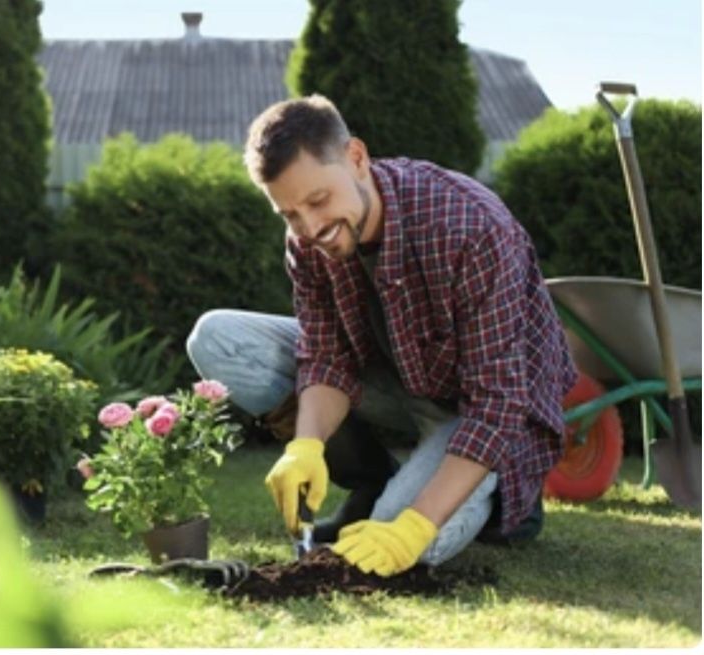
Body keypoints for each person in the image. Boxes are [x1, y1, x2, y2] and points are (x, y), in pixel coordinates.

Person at [186, 95, 578, 576]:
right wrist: (306, 445)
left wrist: (414, 526)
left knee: (403, 540)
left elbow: (499, 403)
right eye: (289, 214)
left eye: (318, 200)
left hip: (478, 409)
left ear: (356, 158)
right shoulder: (308, 240)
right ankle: (373, 483)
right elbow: (326, 355)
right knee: (217, 339)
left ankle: (503, 498)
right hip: (396, 380)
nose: (310, 228)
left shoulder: (469, 227)